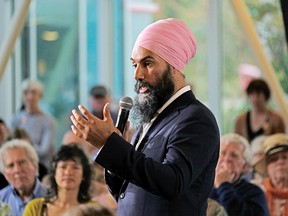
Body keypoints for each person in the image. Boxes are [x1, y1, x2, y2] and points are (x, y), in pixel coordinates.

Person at [70, 18, 220, 216]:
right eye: (134, 65)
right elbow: (128, 192)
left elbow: (172, 183)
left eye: (147, 63)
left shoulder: (196, 119)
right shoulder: (151, 120)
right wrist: (115, 152)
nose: (137, 74)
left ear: (174, 66)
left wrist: (110, 144)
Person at [23, 144, 99, 216]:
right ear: (54, 173)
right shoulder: (35, 207)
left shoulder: (94, 209)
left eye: (75, 167)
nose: (68, 172)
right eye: (63, 167)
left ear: (84, 175)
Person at [209, 133, 269, 215]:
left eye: (234, 155)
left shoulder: (255, 193)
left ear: (246, 167)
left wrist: (223, 185)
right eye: (222, 153)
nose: (226, 159)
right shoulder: (204, 188)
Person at [10, 79, 56, 168]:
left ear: (40, 95)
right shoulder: (15, 119)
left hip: (41, 167)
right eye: (26, 93)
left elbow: (44, 151)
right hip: (18, 166)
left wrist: (23, 144)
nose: (30, 97)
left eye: (34, 93)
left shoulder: (48, 121)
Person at [0, 139, 48, 216]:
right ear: (5, 174)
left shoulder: (52, 198)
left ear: (35, 166)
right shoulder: (1, 200)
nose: (17, 170)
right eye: (11, 165)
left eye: (22, 162)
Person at [254, 133, 288, 216]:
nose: (280, 162)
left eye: (285, 157)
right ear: (267, 168)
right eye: (273, 159)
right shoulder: (256, 192)